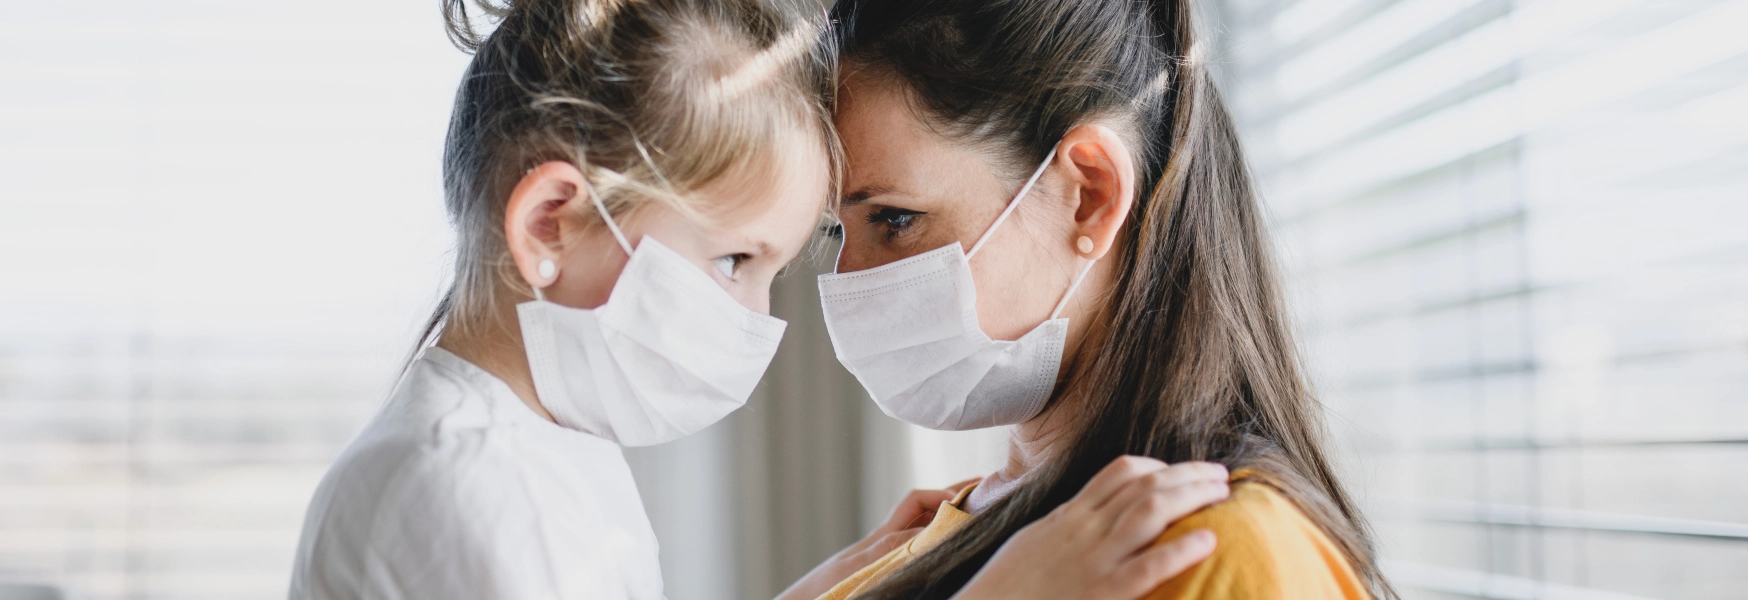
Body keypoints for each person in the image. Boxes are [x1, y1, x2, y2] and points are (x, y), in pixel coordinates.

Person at [289, 0, 1228, 598]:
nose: (761, 318)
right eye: (734, 259)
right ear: (549, 225)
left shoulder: (531, 455)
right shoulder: (476, 490)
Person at [814, 0, 1398, 598]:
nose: (847, 279)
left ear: (1091, 195)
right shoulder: (966, 537)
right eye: (835, 231)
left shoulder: (1212, 549)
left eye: (894, 218)